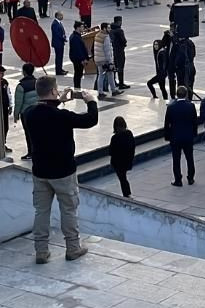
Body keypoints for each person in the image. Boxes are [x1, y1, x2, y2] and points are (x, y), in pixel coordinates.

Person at [25, 76, 98, 263]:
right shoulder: (62, 116)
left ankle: (41, 251)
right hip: (63, 170)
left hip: (40, 170)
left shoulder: (29, 114)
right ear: (53, 91)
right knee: (68, 209)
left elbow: (45, 111)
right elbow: (90, 120)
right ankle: (72, 247)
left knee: (41, 211)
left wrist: (58, 101)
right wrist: (90, 101)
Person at [164, 86, 198, 186]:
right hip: (188, 136)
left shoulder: (171, 107)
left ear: (176, 94)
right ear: (186, 94)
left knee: (176, 159)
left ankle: (178, 180)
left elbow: (167, 123)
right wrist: (194, 134)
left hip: (175, 137)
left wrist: (167, 136)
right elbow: (194, 122)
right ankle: (191, 178)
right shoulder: (191, 106)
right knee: (189, 158)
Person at [13, 63, 39, 160]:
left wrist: (16, 115)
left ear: (24, 72)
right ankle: (38, 151)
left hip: (27, 113)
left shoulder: (21, 86)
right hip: (38, 110)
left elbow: (18, 102)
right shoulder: (38, 82)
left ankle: (31, 152)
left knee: (28, 133)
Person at [109, 116, 135, 198]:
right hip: (127, 160)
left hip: (118, 163)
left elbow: (111, 151)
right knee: (123, 177)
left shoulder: (115, 138)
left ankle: (127, 194)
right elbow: (132, 146)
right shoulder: (129, 134)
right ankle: (127, 193)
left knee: (122, 178)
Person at [69, 22, 90, 90]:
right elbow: (78, 50)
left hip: (77, 58)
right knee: (78, 74)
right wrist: (83, 59)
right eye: (82, 27)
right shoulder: (75, 37)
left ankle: (77, 87)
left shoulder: (77, 36)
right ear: (78, 27)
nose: (83, 28)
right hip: (78, 59)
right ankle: (77, 88)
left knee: (78, 74)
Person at [110, 16, 128, 90]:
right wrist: (124, 44)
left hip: (114, 50)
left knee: (115, 66)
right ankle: (121, 83)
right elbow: (123, 40)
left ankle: (114, 81)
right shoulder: (119, 30)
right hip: (120, 50)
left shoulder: (111, 30)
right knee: (121, 66)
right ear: (119, 21)